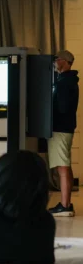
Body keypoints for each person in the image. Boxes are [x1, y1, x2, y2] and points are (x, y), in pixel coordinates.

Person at [48, 50, 79, 217]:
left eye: (57, 59)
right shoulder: (66, 80)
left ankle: (65, 205)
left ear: (66, 62)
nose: (55, 61)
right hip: (65, 128)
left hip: (61, 128)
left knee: (62, 166)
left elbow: (63, 107)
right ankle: (67, 203)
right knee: (64, 164)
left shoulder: (64, 82)